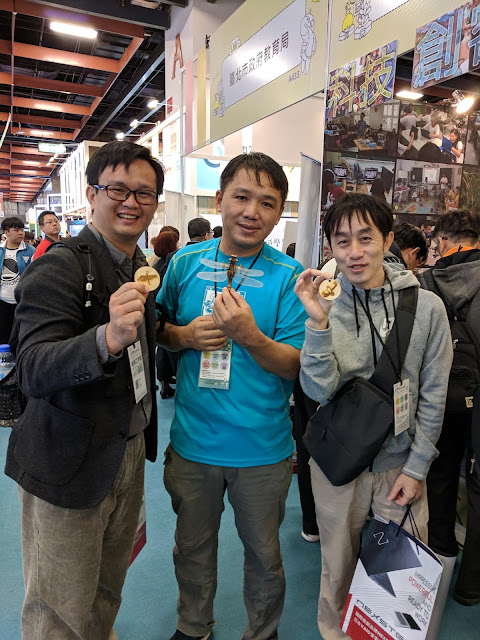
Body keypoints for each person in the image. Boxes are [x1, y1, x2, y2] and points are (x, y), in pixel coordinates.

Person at [5, 140, 164, 639]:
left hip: (126, 448)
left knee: (106, 589)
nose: (131, 202)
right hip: (67, 458)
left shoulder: (136, 267)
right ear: (92, 194)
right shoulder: (60, 265)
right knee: (57, 609)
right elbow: (32, 367)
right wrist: (106, 338)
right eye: (118, 189)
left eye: (144, 193)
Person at [157, 152, 306, 640]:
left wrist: (250, 336)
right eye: (241, 197)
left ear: (279, 212)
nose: (251, 211)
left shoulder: (290, 276)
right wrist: (183, 336)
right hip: (193, 443)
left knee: (265, 555)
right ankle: (192, 624)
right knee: (191, 547)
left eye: (267, 202)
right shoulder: (184, 263)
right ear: (220, 199)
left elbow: (296, 364)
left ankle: (262, 631)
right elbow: (157, 328)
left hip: (261, 449)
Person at [294, 193, 452, 640]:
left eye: (366, 238)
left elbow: (433, 394)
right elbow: (318, 390)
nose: (354, 252)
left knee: (400, 574)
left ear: (387, 240)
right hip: (338, 463)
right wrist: (317, 323)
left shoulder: (426, 307)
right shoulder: (325, 302)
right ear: (330, 247)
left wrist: (417, 468)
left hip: (400, 464)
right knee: (337, 567)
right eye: (342, 241)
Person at [418, 210, 480, 608]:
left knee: (437, 476)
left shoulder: (423, 283)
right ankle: (470, 585)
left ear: (442, 241)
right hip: (478, 396)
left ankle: (439, 561)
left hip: (435, 396)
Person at [153, 230, 181, 399]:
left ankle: (164, 384)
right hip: (170, 316)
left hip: (159, 317)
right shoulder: (175, 262)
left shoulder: (153, 266)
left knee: (162, 350)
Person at [0, 217, 35, 344]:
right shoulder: (0, 250)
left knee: (22, 336)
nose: (21, 233)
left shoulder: (30, 251)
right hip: (3, 300)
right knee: (3, 335)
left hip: (23, 301)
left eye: (22, 230)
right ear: (6, 232)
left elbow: (35, 275)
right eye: (16, 230)